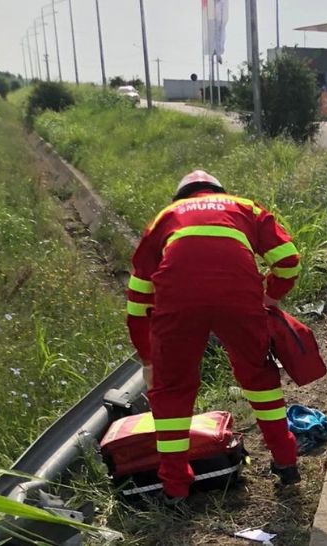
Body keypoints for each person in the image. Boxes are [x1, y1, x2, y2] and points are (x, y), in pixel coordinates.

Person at [125, 169, 303, 500]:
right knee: (259, 378)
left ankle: (176, 487)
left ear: (180, 197)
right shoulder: (245, 208)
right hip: (239, 295)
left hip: (177, 300)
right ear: (219, 190)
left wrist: (148, 359)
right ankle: (286, 462)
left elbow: (138, 301)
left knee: (171, 391)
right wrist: (270, 296)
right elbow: (289, 260)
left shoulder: (165, 217)